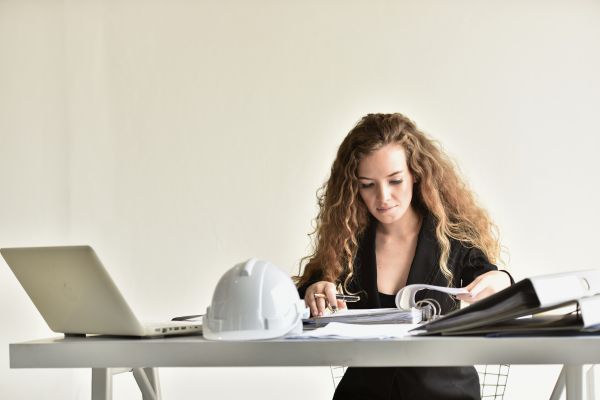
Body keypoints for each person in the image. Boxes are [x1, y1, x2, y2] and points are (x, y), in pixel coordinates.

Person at [295, 113, 514, 400]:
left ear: (416, 174)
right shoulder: (347, 242)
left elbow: (496, 283)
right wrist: (312, 291)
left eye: (395, 180)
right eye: (367, 184)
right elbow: (296, 299)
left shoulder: (452, 236)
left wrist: (500, 281)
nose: (383, 197)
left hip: (446, 395)